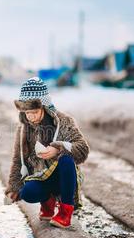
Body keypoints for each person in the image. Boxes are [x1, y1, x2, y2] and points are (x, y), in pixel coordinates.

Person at [5, 77, 89, 228]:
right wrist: (14, 187)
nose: (30, 117)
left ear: (45, 107)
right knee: (28, 193)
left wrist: (58, 148)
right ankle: (48, 202)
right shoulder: (24, 128)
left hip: (63, 175)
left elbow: (82, 148)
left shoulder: (63, 122)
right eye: (26, 112)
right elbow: (18, 159)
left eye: (34, 112)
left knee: (66, 160)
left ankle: (65, 212)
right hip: (40, 175)